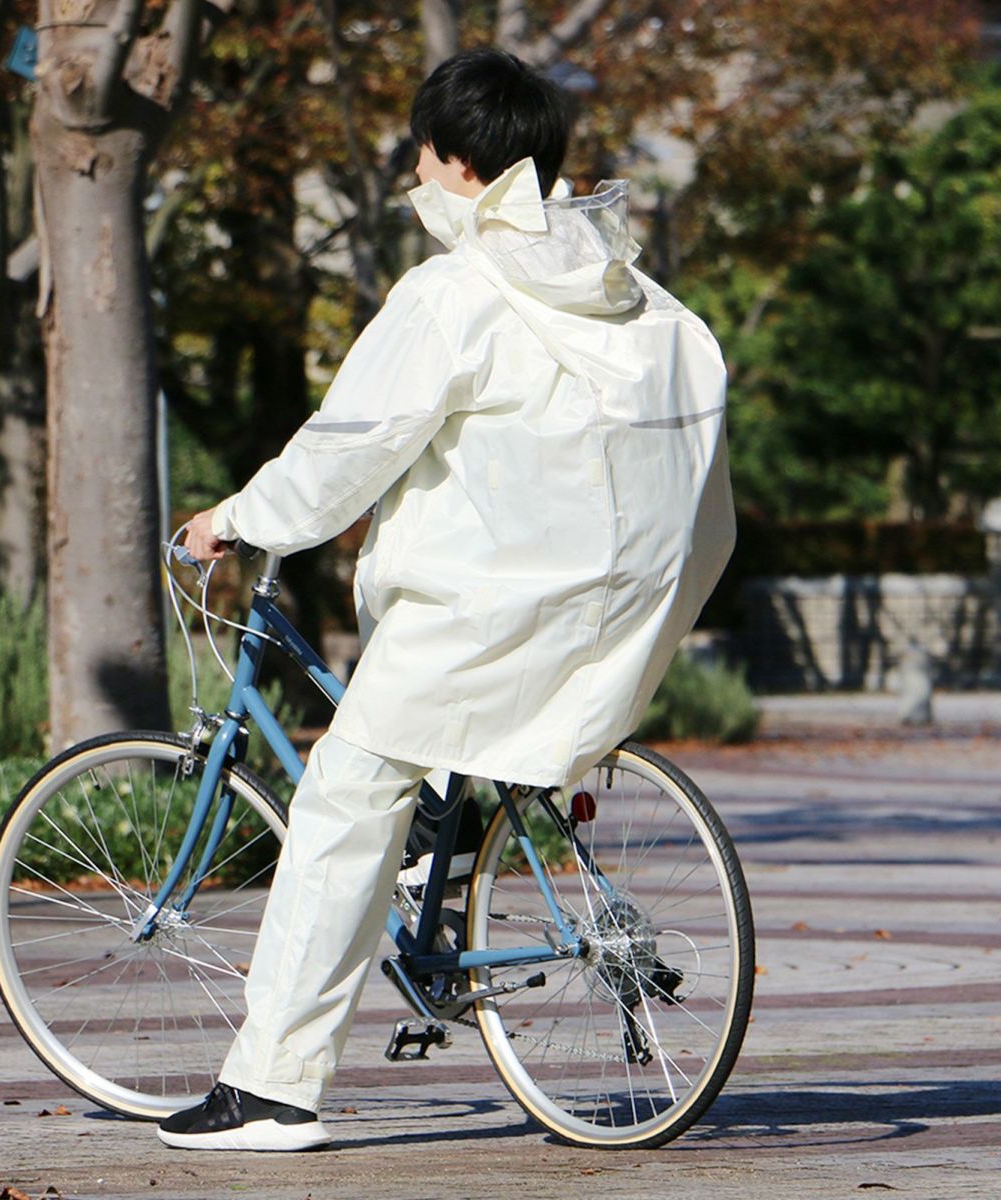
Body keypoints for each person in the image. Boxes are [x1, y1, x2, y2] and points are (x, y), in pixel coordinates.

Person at [160, 47, 735, 1152]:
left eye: (421, 151)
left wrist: (235, 519)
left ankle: (273, 1088)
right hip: (619, 605)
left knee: (340, 799)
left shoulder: (454, 291)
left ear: (459, 164)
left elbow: (349, 448)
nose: (414, 169)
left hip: (491, 611)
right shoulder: (645, 300)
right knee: (436, 742)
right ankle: (449, 834)